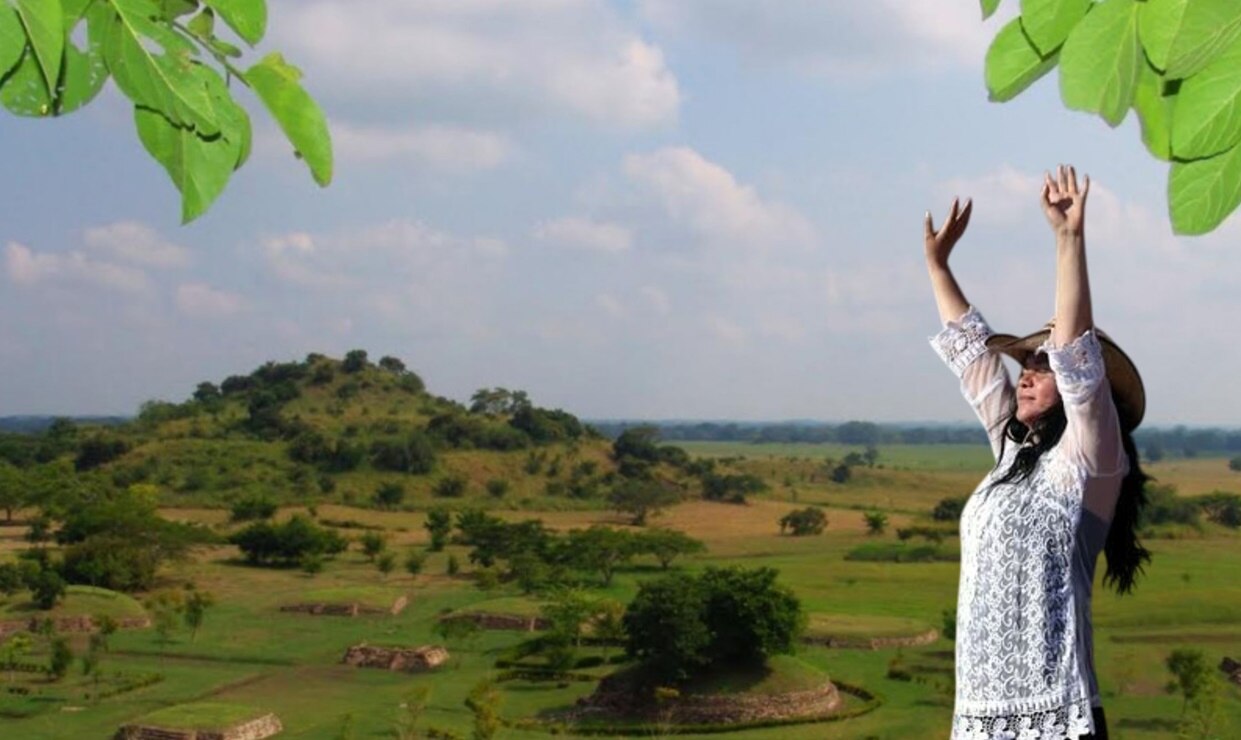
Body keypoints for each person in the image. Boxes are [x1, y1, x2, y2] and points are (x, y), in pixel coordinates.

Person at [924, 165, 1150, 740]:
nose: (1025, 373)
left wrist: (1068, 238)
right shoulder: (1009, 450)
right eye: (1023, 362)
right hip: (978, 717)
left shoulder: (1091, 462)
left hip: (1057, 718)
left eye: (1038, 364)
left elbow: (1077, 360)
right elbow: (972, 358)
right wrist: (938, 267)